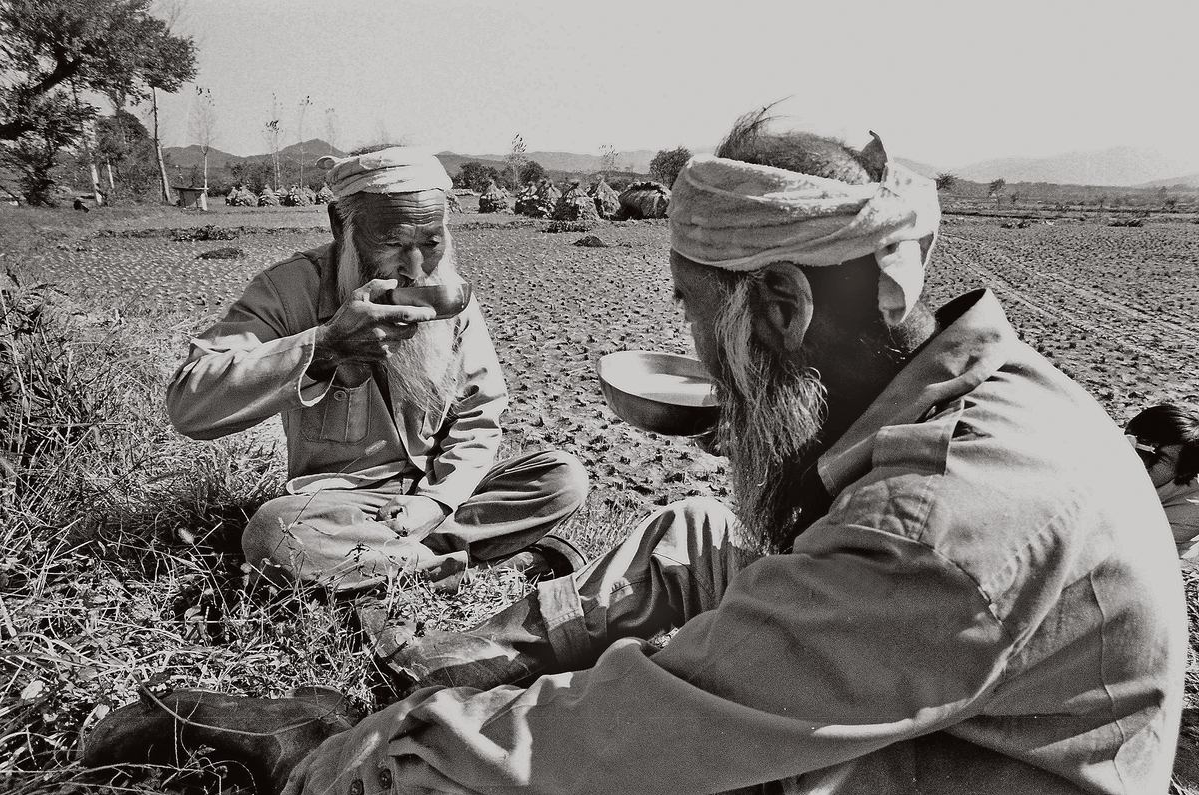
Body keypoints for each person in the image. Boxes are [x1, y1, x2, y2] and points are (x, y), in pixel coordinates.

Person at [87, 114, 1186, 795]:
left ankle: (398, 716)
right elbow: (198, 397)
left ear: (789, 305)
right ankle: (459, 652)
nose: (700, 353)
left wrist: (343, 763)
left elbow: (632, 733)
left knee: (611, 739)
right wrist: (320, 350)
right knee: (702, 531)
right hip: (340, 502)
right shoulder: (984, 382)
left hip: (931, 772)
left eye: (702, 321)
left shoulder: (936, 525)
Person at [164, 146, 589, 595]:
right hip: (343, 506)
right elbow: (189, 405)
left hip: (439, 492)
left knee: (561, 477)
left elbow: (480, 414)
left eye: (431, 241)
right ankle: (458, 561)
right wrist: (324, 349)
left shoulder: (445, 291)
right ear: (339, 225)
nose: (417, 267)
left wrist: (435, 501)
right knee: (274, 534)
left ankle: (402, 560)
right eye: (392, 245)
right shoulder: (291, 289)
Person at [1126, 403, 1199, 559]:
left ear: (1182, 471)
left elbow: (1129, 554)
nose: (1136, 458)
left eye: (1157, 457)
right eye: (1131, 444)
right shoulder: (1106, 443)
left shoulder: (1190, 510)